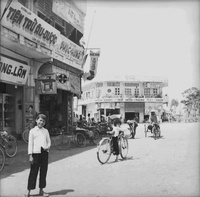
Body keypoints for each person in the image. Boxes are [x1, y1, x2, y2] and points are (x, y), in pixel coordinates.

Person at [25, 114, 51, 197]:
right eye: (40, 120)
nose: (41, 122)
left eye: (43, 121)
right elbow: (30, 144)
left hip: (44, 153)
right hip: (35, 153)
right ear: (36, 120)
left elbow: (49, 141)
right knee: (33, 172)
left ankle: (41, 190)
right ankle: (28, 191)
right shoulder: (32, 131)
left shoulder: (46, 131)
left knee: (43, 172)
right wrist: (30, 155)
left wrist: (47, 147)